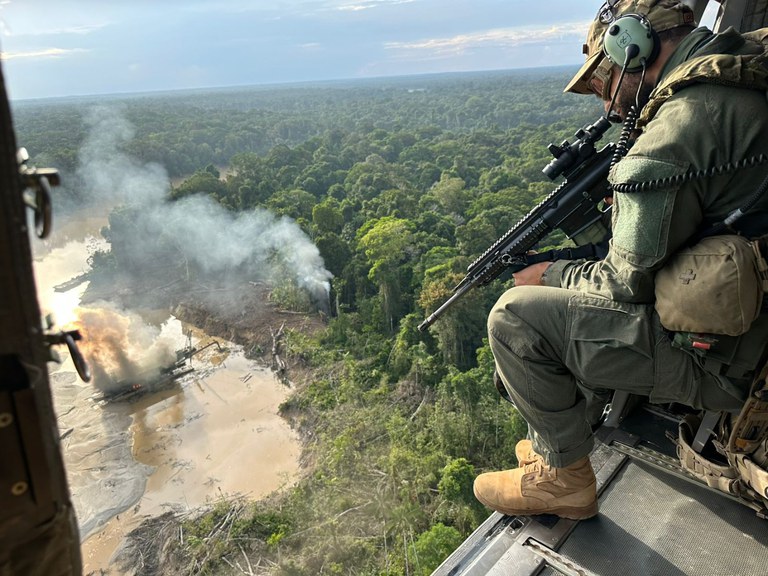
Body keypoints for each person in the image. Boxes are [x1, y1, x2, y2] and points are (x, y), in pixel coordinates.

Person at [473, 0, 768, 520]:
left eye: (604, 82)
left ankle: (564, 480)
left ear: (632, 46)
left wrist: (549, 273)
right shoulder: (744, 68)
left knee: (516, 317)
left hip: (734, 362)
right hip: (758, 322)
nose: (606, 105)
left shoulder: (678, 128)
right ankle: (554, 441)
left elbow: (620, 283)